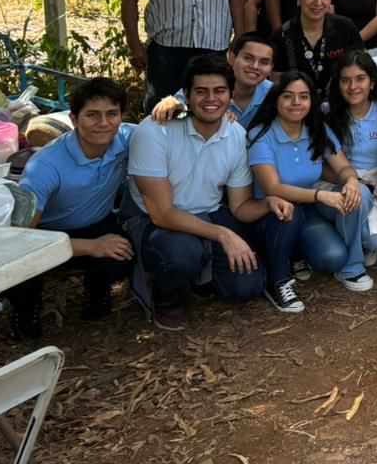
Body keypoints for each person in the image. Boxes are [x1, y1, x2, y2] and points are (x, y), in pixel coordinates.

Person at [122, 56, 287, 331]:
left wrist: (268, 202)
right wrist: (224, 235)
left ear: (231, 95)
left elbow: (239, 206)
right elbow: (162, 213)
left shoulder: (235, 135)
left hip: (209, 213)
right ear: (185, 95)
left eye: (219, 91)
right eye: (201, 91)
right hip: (154, 221)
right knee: (182, 253)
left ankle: (201, 275)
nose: (211, 99)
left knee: (248, 285)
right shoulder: (153, 131)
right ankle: (167, 299)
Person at [9, 78, 136, 340]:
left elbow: (167, 129)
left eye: (112, 114)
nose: (103, 123)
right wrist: (91, 247)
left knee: (122, 252)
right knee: (17, 263)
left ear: (123, 116)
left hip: (93, 224)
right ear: (74, 119)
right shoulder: (45, 165)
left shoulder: (126, 138)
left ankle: (97, 291)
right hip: (41, 233)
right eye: (92, 115)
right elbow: (20, 237)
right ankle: (25, 312)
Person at [246, 72, 375, 313]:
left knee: (335, 251)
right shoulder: (262, 135)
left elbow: (343, 167)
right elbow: (273, 188)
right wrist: (320, 195)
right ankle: (289, 259)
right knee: (322, 249)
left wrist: (351, 182)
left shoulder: (317, 128)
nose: (297, 103)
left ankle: (351, 265)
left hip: (306, 208)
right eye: (288, 96)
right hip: (276, 213)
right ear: (275, 100)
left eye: (303, 96)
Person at [325, 52, 377, 266]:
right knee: (359, 195)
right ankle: (350, 256)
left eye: (360, 79)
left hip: (372, 183)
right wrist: (351, 182)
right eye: (345, 80)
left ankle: (350, 232)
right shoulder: (327, 114)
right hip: (335, 183)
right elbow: (318, 166)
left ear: (372, 82)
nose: (352, 86)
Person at [150, 33, 276, 127]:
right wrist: (170, 103)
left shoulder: (275, 94)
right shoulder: (209, 82)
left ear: (271, 68)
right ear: (232, 58)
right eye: (248, 58)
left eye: (264, 62)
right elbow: (177, 104)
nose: (254, 66)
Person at [270, 0, 364, 94]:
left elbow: (362, 66)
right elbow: (277, 83)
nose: (318, 2)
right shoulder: (282, 35)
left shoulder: (345, 28)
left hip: (339, 101)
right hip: (299, 106)